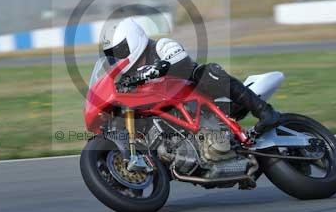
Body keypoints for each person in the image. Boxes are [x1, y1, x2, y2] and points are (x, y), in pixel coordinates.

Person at [101, 17, 280, 137]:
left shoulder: (161, 46)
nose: (118, 56)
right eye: (113, 54)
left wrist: (152, 71)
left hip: (205, 99)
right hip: (172, 116)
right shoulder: (128, 76)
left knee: (208, 72)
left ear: (132, 39)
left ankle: (266, 112)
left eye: (120, 50)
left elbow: (180, 61)